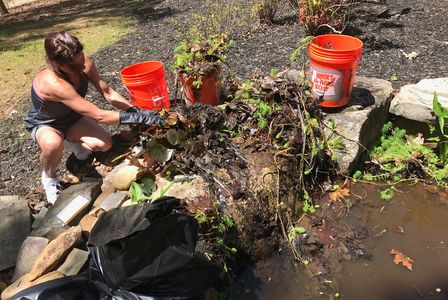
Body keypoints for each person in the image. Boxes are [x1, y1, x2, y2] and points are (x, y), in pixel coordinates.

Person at [24, 30, 162, 204]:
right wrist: (139, 119)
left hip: (73, 117)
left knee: (104, 144)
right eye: (72, 66)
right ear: (56, 64)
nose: (80, 67)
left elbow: (108, 93)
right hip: (48, 124)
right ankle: (49, 177)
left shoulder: (83, 60)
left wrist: (135, 111)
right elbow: (98, 115)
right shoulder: (53, 83)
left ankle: (73, 143)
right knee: (53, 145)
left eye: (80, 58)